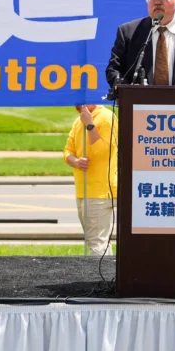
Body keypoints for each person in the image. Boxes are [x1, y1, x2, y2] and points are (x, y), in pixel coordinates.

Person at [63, 103, 118, 255]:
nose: (76, 104)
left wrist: (90, 125)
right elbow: (68, 151)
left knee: (96, 244)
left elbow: (102, 152)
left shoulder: (107, 118)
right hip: (82, 190)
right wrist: (76, 161)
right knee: (97, 241)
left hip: (100, 191)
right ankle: (107, 276)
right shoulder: (78, 121)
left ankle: (97, 278)